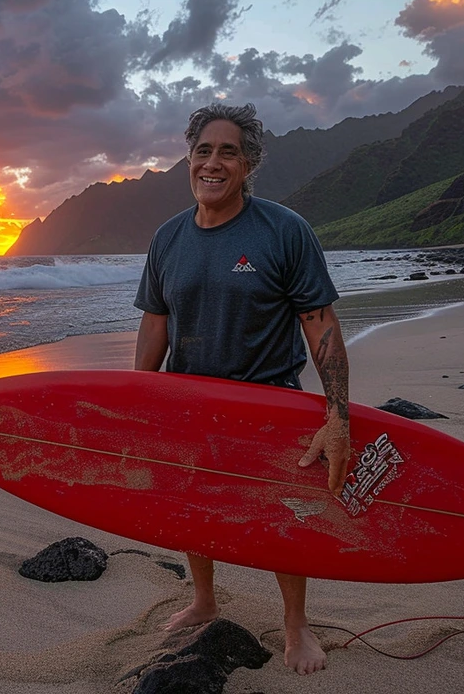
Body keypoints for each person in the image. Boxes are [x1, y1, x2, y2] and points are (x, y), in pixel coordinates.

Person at [133, 102, 352, 676]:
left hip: (269, 401)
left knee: (280, 517)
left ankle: (296, 625)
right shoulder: (168, 238)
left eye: (227, 151)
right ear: (189, 159)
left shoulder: (282, 230)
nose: (212, 162)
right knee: (193, 510)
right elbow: (156, 321)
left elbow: (320, 324)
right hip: (190, 402)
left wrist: (337, 416)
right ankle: (204, 599)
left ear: (249, 163)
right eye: (203, 150)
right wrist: (138, 400)